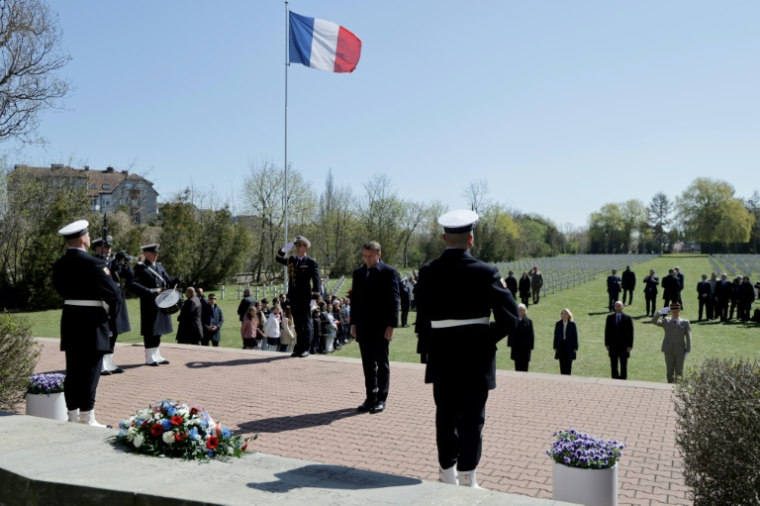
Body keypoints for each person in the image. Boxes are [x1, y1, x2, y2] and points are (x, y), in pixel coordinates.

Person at [415, 210, 518, 488]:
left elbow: (422, 319)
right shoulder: (487, 272)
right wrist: (483, 338)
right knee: (472, 418)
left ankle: (446, 474)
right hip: (476, 358)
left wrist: (433, 345)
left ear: (443, 237)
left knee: (445, 416)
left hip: (442, 356)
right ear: (471, 239)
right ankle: (468, 477)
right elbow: (510, 318)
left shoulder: (427, 273)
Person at [52, 220, 122, 427]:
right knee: (91, 371)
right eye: (89, 236)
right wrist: (110, 317)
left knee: (73, 370)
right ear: (83, 239)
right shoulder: (96, 264)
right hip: (93, 322)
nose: (90, 239)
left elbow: (60, 291)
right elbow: (115, 295)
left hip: (71, 319)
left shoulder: (59, 264)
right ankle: (87, 417)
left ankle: (72, 415)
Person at [351, 241, 400, 415]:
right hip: (363, 326)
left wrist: (392, 325)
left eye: (370, 256)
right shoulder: (358, 273)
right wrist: (353, 323)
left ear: (379, 254)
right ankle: (370, 397)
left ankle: (381, 398)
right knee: (367, 364)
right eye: (364, 256)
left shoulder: (389, 272)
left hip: (381, 326)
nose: (367, 259)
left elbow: (395, 300)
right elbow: (354, 300)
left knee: (382, 363)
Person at [126, 244, 180, 366]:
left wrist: (176, 281)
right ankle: (149, 356)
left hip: (162, 300)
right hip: (149, 301)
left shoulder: (159, 267)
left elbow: (168, 281)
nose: (156, 255)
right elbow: (131, 283)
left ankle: (156, 354)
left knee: (159, 328)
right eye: (153, 253)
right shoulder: (141, 268)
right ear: (146, 254)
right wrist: (146, 292)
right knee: (150, 328)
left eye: (156, 253)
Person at [91, 235, 131, 376]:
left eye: (109, 247)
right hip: (104, 300)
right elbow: (105, 273)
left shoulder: (112, 262)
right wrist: (115, 261)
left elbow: (128, 276)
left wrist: (126, 263)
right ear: (97, 248)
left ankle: (109, 361)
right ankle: (101, 364)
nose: (108, 249)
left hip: (116, 299)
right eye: (104, 247)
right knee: (105, 332)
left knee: (114, 331)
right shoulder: (96, 261)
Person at [275, 235, 321, 358]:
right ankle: (299, 347)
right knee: (297, 323)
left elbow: (316, 281)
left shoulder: (310, 262)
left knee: (306, 323)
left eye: (300, 245)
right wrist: (288, 246)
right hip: (294, 297)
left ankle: (306, 348)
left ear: (306, 247)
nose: (297, 248)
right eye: (296, 245)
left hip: (305, 297)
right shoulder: (292, 260)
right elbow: (278, 258)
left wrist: (314, 299)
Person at [651, 303, 691, 384]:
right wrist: (659, 313)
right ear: (670, 312)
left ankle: (679, 388)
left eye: (677, 311)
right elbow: (653, 321)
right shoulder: (666, 321)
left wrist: (688, 350)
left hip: (680, 350)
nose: (675, 313)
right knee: (669, 371)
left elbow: (689, 337)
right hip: (668, 349)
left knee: (679, 371)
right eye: (673, 311)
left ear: (680, 312)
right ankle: (669, 387)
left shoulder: (685, 323)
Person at [604, 301, 634, 380]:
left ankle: (623, 381)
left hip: (624, 346)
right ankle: (615, 380)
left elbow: (631, 333)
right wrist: (606, 344)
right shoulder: (609, 318)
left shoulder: (628, 318)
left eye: (619, 306)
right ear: (614, 307)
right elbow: (607, 332)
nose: (617, 307)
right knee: (613, 365)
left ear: (622, 307)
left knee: (623, 365)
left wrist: (630, 346)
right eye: (616, 306)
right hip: (612, 345)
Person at [507, 304, 534, 372]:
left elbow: (531, 335)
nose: (521, 312)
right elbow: (510, 333)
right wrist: (510, 343)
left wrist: (530, 346)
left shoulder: (529, 322)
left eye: (523, 310)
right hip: (516, 348)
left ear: (525, 311)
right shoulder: (514, 320)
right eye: (520, 310)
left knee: (525, 369)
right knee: (517, 368)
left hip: (525, 349)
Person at [553, 308, 578, 376]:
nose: (563, 315)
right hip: (561, 346)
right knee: (562, 364)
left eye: (565, 314)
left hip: (569, 346)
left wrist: (575, 347)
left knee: (568, 365)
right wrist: (555, 347)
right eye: (562, 314)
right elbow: (556, 336)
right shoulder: (558, 324)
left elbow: (575, 336)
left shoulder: (572, 324)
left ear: (569, 315)